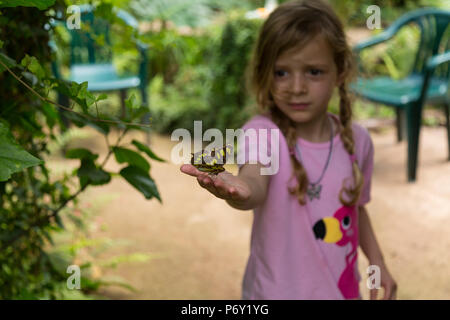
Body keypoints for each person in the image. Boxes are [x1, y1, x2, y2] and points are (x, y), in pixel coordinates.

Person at [181, 0, 397, 300]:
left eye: (313, 72)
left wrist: (378, 261)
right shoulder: (262, 133)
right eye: (282, 72)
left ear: (340, 71)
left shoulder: (359, 141)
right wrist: (241, 188)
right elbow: (255, 181)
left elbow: (356, 208)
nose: (296, 87)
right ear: (265, 74)